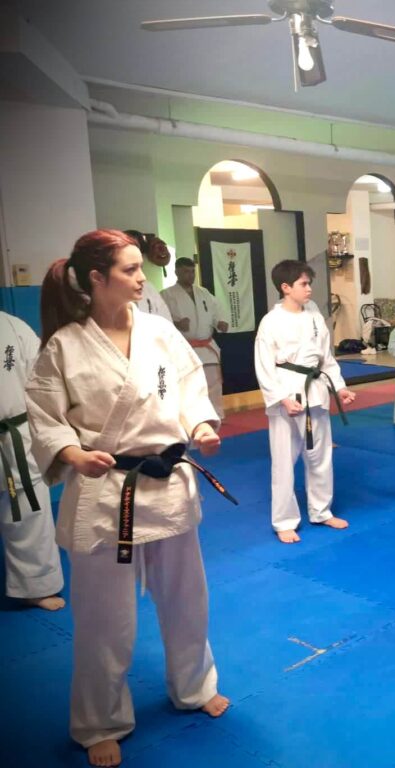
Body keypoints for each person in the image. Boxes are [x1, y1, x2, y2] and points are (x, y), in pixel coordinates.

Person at [26, 230, 231, 767]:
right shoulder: (65, 345)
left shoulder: (159, 332)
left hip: (166, 485)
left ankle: (194, 686)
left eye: (142, 268)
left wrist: (201, 424)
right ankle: (99, 721)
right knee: (105, 620)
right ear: (97, 278)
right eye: (130, 269)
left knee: (187, 600)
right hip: (105, 490)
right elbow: (45, 415)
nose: (143, 278)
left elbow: (189, 388)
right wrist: (73, 454)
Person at [255, 260, 356, 544]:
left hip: (316, 391)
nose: (309, 288)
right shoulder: (271, 322)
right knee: (284, 462)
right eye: (303, 284)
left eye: (309, 283)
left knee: (320, 457)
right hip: (287, 393)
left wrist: (339, 387)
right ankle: (284, 521)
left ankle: (321, 511)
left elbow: (326, 357)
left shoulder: (314, 315)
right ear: (285, 288)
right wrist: (281, 399)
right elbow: (264, 366)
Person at [1, 311, 65, 612]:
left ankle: (35, 586)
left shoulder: (14, 327)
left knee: (29, 507)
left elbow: (41, 379)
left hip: (14, 433)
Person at [161, 257, 229, 418]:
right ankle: (191, 418)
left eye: (192, 272)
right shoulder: (166, 295)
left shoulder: (203, 293)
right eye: (186, 272)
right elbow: (159, 319)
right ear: (176, 272)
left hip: (207, 346)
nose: (190, 275)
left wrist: (220, 322)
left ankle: (216, 414)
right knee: (189, 386)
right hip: (183, 348)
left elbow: (216, 311)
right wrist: (176, 324)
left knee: (213, 383)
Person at [124, 230, 173, 324]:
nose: (142, 276)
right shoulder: (107, 293)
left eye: (139, 267)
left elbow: (166, 322)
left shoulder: (148, 288)